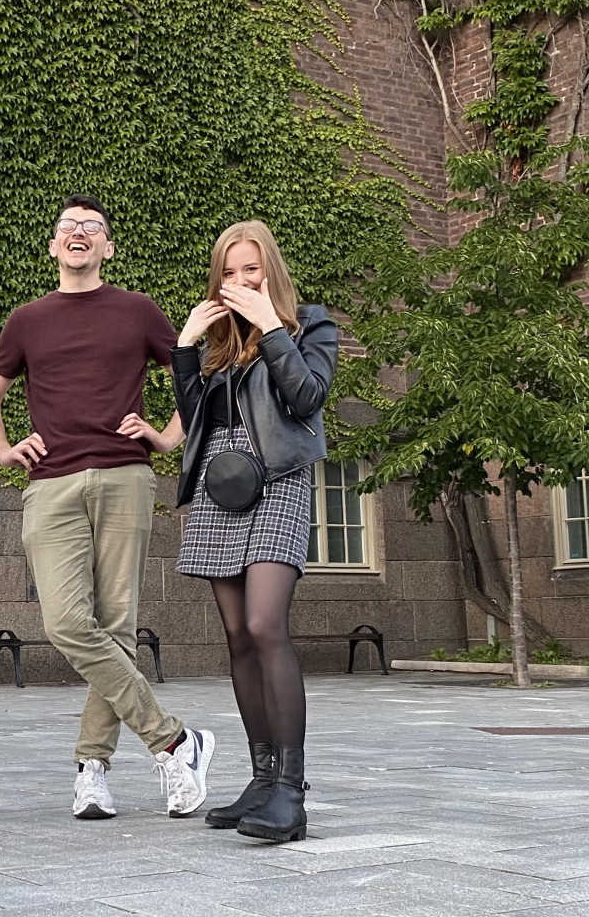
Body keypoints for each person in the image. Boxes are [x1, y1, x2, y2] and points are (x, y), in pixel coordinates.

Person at [0, 194, 215, 820]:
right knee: (66, 624)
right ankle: (173, 740)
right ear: (54, 247)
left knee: (117, 625)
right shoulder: (27, 319)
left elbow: (195, 376)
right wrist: (3, 450)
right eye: (67, 228)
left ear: (107, 247)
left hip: (125, 477)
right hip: (51, 483)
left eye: (92, 228)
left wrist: (165, 437)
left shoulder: (137, 311)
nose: (78, 234)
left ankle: (92, 770)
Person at [170, 220, 337, 843]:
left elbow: (306, 397)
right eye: (229, 272)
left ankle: (290, 793)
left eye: (250, 270)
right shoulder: (218, 346)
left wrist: (270, 325)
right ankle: (262, 779)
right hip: (222, 483)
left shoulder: (309, 325)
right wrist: (185, 348)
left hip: (279, 478)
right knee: (239, 635)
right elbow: (194, 422)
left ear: (270, 271)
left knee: (266, 626)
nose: (238, 282)